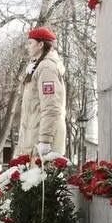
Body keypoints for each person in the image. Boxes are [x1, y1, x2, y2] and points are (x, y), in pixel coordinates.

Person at [16, 26, 67, 159]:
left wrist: (45, 140)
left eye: (30, 43)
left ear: (40, 45)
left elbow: (51, 106)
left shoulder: (46, 68)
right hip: (33, 137)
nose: (28, 47)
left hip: (42, 143)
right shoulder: (37, 66)